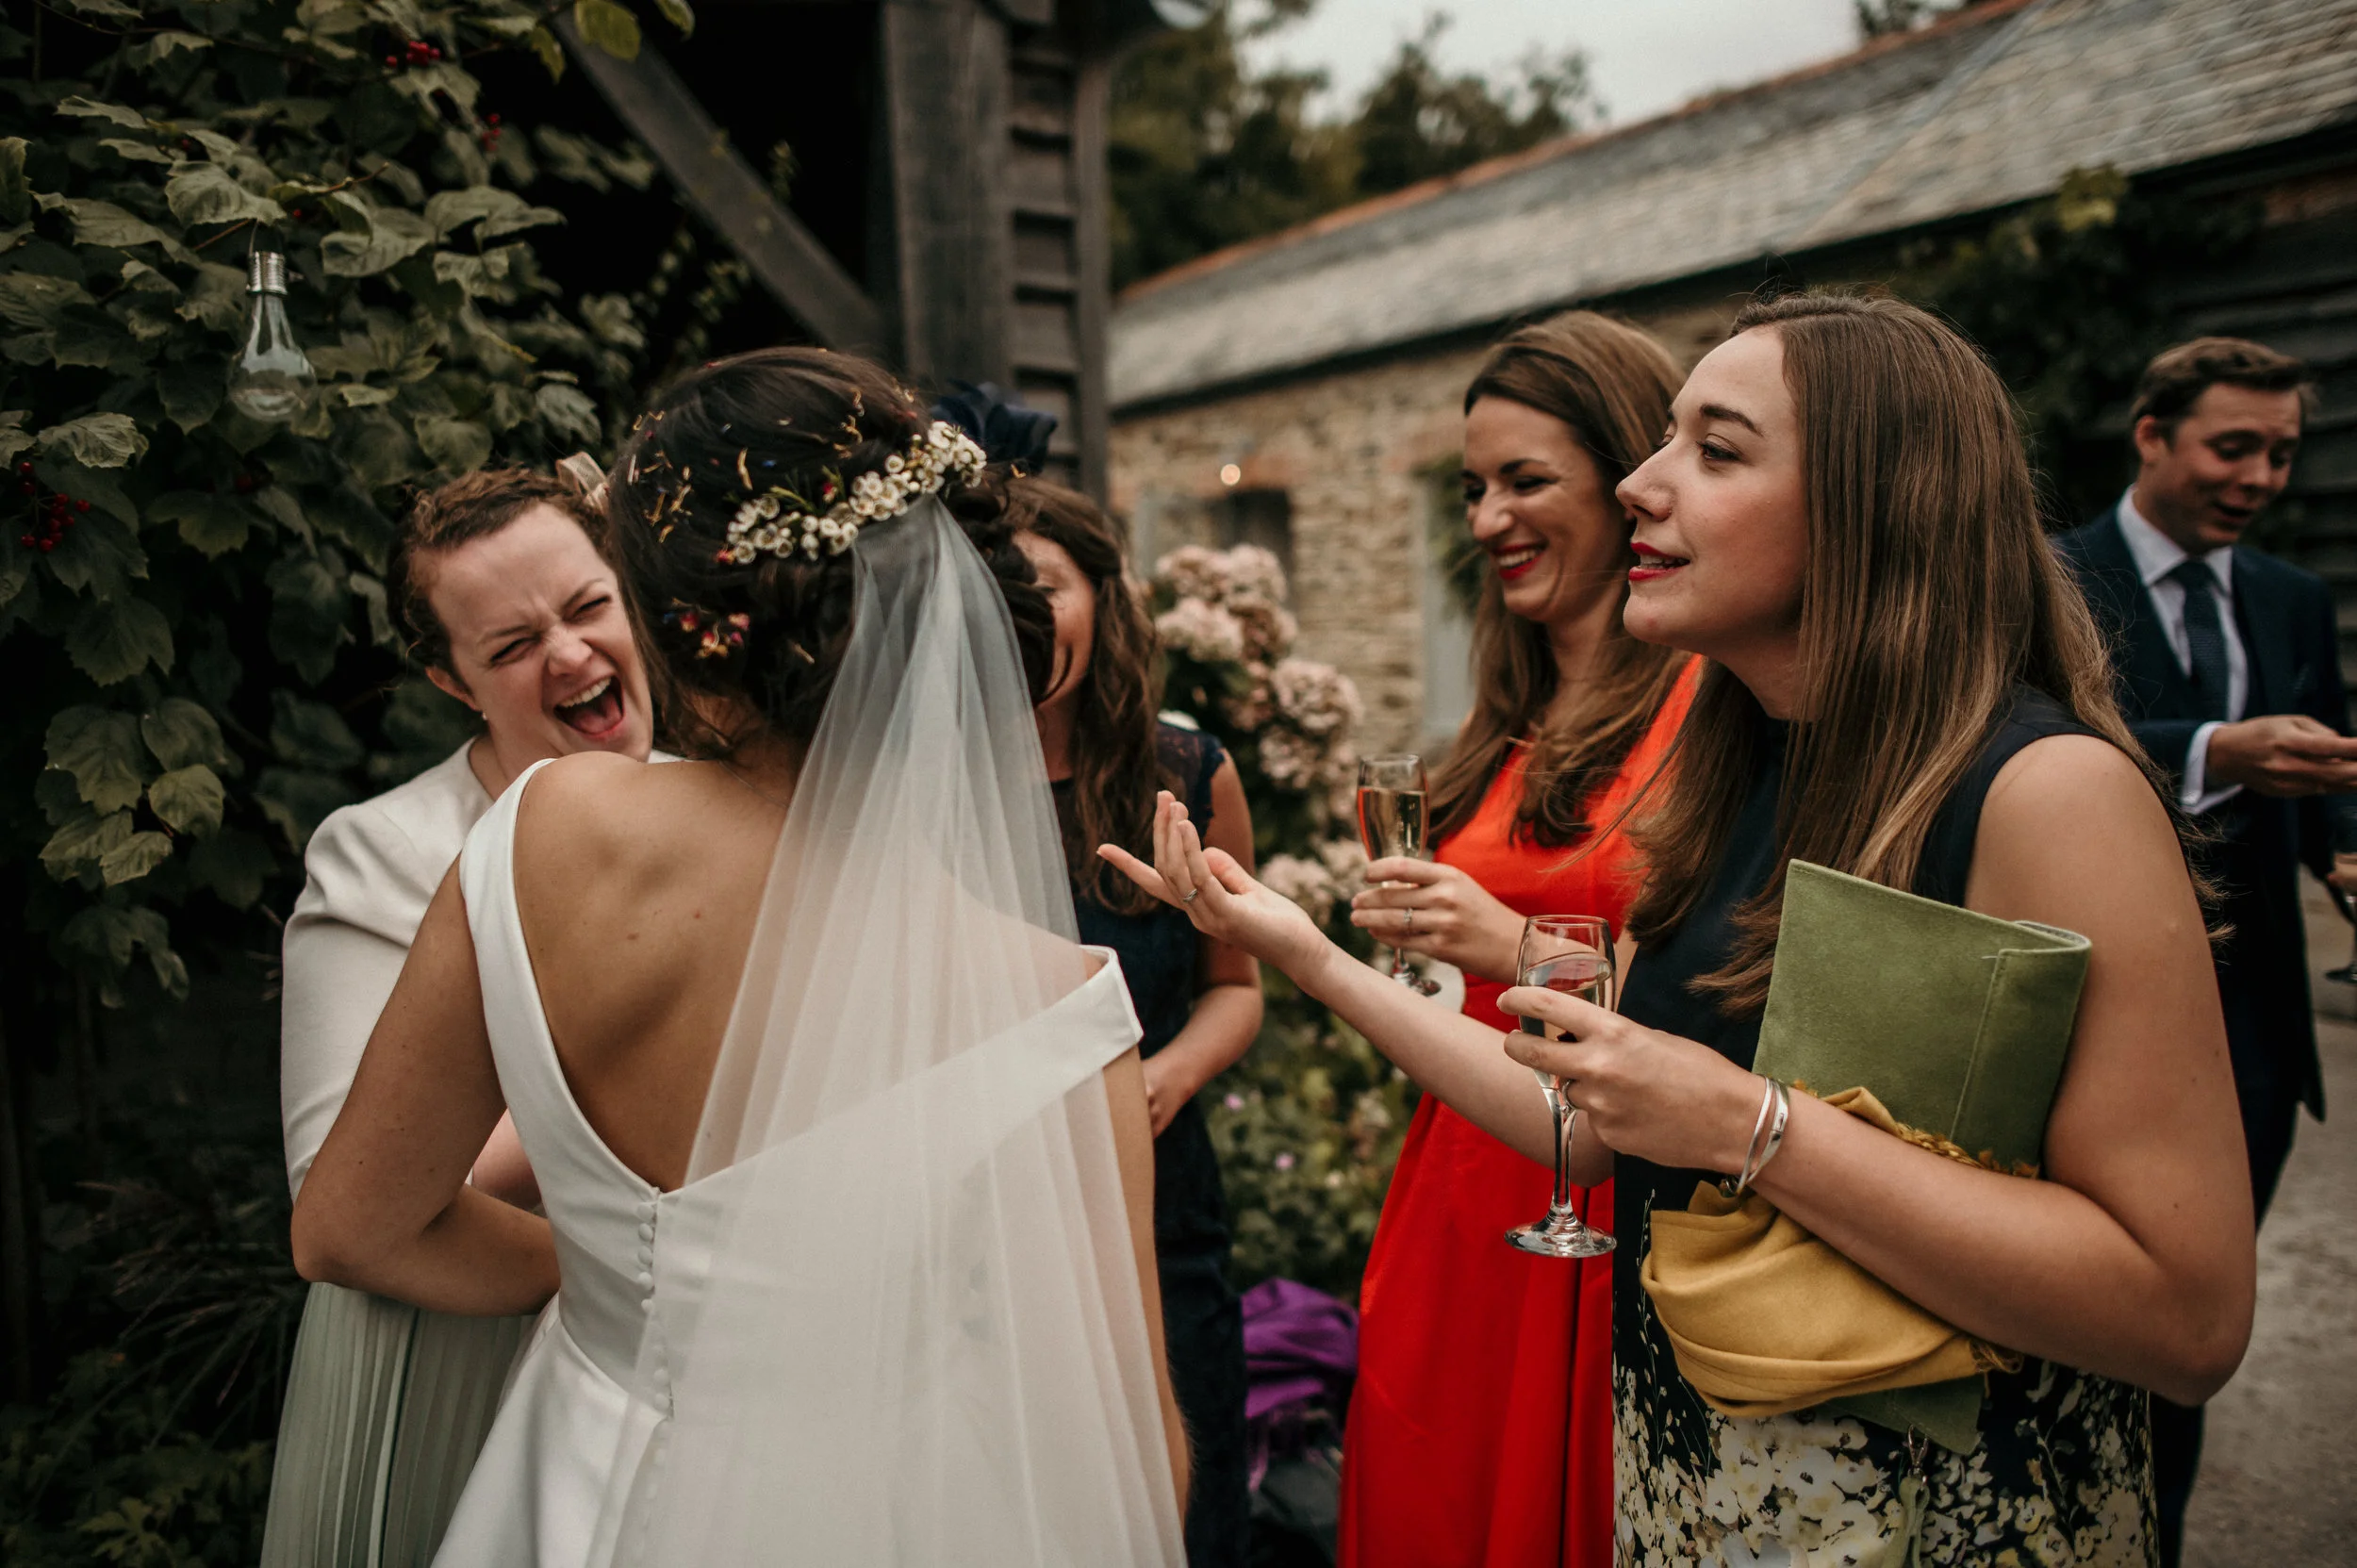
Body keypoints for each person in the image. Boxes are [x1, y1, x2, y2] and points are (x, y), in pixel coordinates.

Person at [1111, 293, 2256, 1564]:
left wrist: (1749, 1126)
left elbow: (2189, 1315)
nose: (1645, 485)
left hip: (1940, 1517)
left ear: (1881, 503)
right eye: (1663, 441)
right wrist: (1302, 949)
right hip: (1698, 1502)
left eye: (1715, 450)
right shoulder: (1732, 778)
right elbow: (1593, 1127)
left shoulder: (2051, 792)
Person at [290, 347, 1189, 1567]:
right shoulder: (1061, 1008)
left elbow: (349, 1227)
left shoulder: (544, 834)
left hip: (581, 1481)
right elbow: (1133, 1469)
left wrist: (628, 1286)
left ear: (685, 633)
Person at [1331, 312, 1693, 1568]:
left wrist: (1504, 937)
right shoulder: (1507, 714)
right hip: (1459, 1170)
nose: (1487, 517)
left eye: (1526, 481)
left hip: (1596, 1196)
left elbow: (1718, 970)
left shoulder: (1711, 706)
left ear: (1630, 476)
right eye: (1474, 487)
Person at [263, 465, 660, 1568]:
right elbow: (336, 1195)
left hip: (683, 1363)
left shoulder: (715, 799)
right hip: (457, 1354)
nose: (572, 656)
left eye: (587, 608)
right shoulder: (382, 853)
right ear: (453, 682)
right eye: (513, 645)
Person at [2053, 336, 2340, 1565]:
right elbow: (2049, 728)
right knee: (2083, 1322)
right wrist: (2211, 752)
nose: (2260, 476)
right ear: (2153, 433)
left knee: (2190, 1334)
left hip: (2260, 1029)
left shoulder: (2288, 596)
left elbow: (2323, 771)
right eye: (2235, 446)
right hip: (2096, 1009)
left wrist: (2341, 847)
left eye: (2280, 452)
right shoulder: (2055, 576)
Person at [1011, 475, 1261, 1567]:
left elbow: (1235, 987)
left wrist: (1163, 1080)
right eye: (996, 587)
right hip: (996, 1235)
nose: (1022, 608)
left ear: (1102, 602)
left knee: (1184, 1512)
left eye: (1047, 584)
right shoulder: (909, 791)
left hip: (1160, 1216)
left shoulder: (1188, 773)